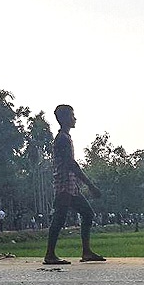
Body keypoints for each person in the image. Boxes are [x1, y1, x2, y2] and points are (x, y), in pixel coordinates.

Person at [43, 104, 105, 265]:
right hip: (64, 184)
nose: (74, 118)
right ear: (63, 119)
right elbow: (71, 164)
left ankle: (86, 252)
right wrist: (90, 185)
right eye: (72, 115)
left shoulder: (65, 137)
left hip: (70, 184)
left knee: (87, 213)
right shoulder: (63, 139)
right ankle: (50, 254)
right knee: (59, 218)